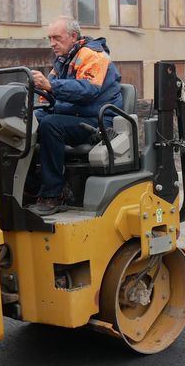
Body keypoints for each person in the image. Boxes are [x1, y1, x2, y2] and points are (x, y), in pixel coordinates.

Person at [28, 16, 122, 216]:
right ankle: (31, 185)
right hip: (73, 114)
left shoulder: (93, 54)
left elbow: (88, 90)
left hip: (96, 120)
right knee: (28, 122)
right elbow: (48, 92)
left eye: (57, 38)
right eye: (50, 38)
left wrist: (51, 86)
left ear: (73, 36)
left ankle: (54, 194)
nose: (52, 43)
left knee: (51, 125)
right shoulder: (63, 60)